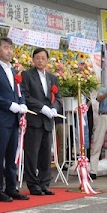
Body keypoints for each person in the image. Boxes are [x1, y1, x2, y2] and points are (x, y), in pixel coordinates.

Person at [0, 37, 29, 201]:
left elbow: (19, 91)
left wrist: (22, 104)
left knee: (12, 155)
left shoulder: (15, 71)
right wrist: (9, 105)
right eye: (5, 48)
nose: (9, 51)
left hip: (15, 118)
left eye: (10, 48)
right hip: (1, 117)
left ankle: (11, 187)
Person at [22, 48, 60, 196]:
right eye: (37, 58)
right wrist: (42, 107)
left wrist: (54, 108)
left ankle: (45, 183)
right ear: (33, 60)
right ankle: (33, 184)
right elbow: (25, 95)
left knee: (45, 154)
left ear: (47, 60)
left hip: (48, 121)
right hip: (34, 119)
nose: (40, 60)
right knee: (32, 153)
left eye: (43, 58)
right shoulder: (27, 75)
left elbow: (58, 97)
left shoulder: (52, 78)